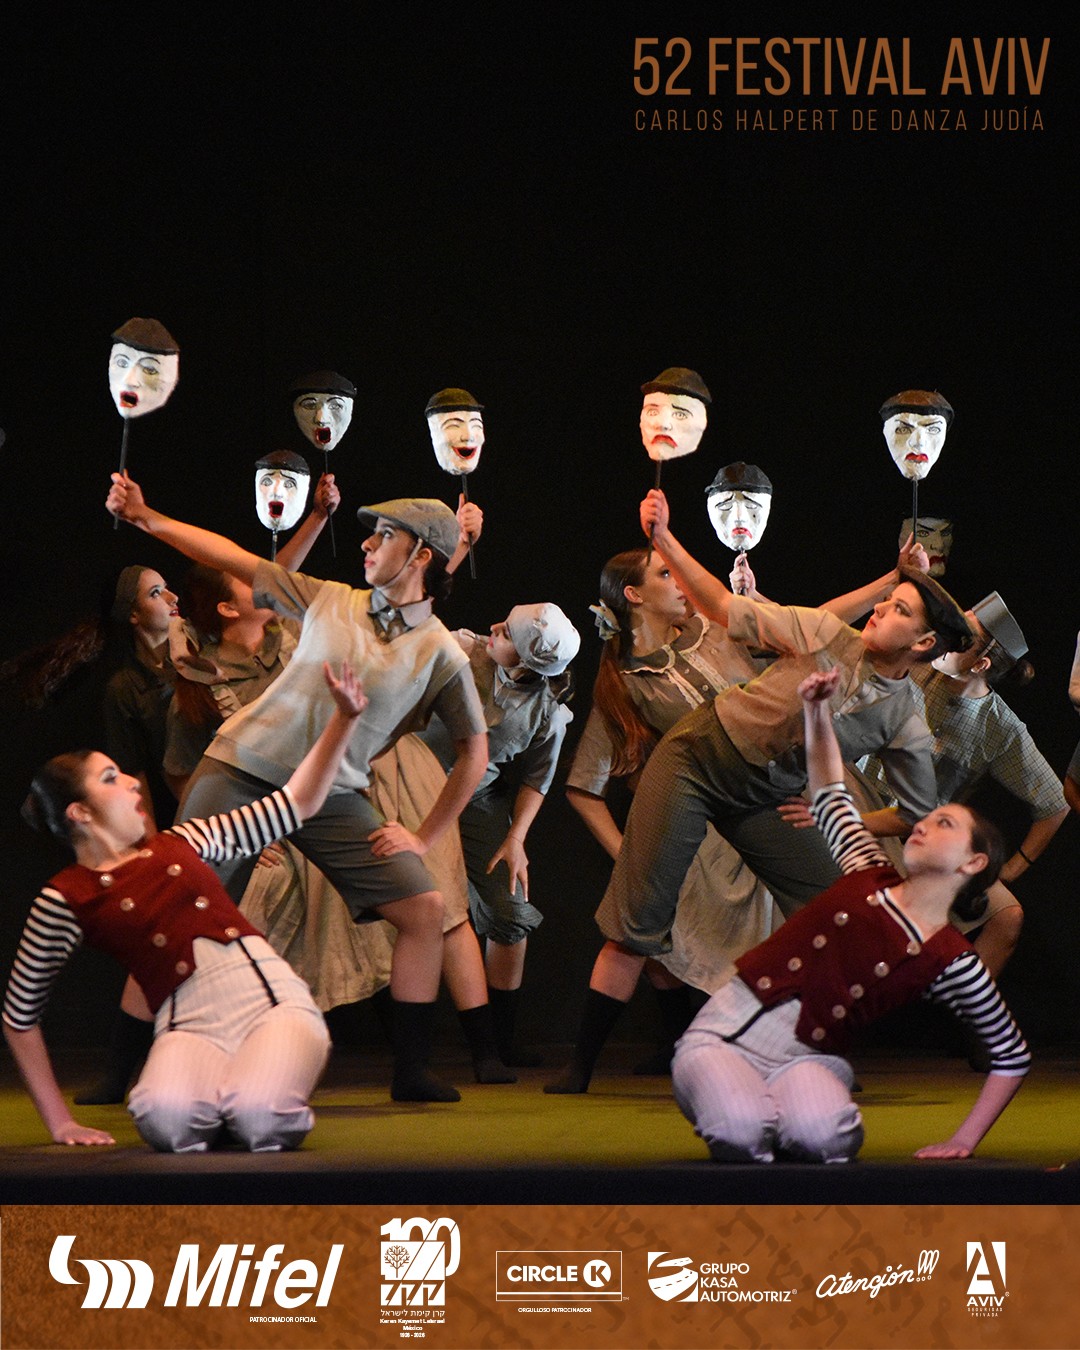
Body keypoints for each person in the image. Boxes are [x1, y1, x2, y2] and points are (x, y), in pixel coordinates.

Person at [548, 488, 973, 1092]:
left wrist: (843, 817)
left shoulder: (903, 718)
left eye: (899, 610)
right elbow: (723, 605)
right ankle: (580, 1068)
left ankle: (814, 1053)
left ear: (924, 644)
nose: (881, 611)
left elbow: (915, 810)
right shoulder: (824, 632)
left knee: (839, 911)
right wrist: (664, 537)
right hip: (696, 761)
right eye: (887, 602)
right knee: (640, 920)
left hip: (766, 796)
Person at [107, 472, 489, 1103]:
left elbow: (475, 752)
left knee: (424, 908)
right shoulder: (330, 598)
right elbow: (234, 558)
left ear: (422, 555)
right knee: (180, 909)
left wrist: (423, 838)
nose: (367, 544)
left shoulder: (440, 654)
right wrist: (148, 518)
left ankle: (411, 1072)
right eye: (369, 534)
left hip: (328, 794)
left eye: (384, 535)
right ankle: (120, 1069)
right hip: (243, 769)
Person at [672, 666, 1030, 1163]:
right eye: (926, 819)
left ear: (973, 863)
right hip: (724, 1036)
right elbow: (829, 792)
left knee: (828, 1138)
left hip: (804, 1060)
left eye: (943, 823)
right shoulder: (867, 868)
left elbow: (1011, 1054)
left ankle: (780, 1113)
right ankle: (752, 1109)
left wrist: (964, 1140)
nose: (922, 825)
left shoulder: (952, 960)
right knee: (740, 1129)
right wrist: (817, 711)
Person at [3, 662, 366, 1152]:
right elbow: (19, 1015)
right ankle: (232, 1097)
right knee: (165, 1121)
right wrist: (59, 1123)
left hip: (269, 1003)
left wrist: (344, 718)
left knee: (261, 1117)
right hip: (188, 1024)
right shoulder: (65, 897)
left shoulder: (186, 840)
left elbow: (296, 803)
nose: (132, 784)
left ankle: (248, 1097)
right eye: (110, 778)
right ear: (80, 813)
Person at [559, 548, 773, 1086]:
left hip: (757, 814)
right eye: (664, 573)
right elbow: (584, 785)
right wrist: (627, 853)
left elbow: (790, 644)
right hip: (689, 829)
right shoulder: (625, 682)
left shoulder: (714, 634)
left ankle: (796, 1052)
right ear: (634, 596)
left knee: (789, 932)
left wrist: (750, 600)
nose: (680, 581)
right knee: (636, 934)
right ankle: (582, 1067)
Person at [856, 591, 1069, 981]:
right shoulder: (917, 662)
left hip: (918, 838)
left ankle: (967, 1009)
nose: (945, 635)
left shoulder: (1000, 728)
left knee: (1008, 916)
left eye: (961, 636)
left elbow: (1055, 805)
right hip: (861, 801)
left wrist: (1011, 869)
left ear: (980, 663)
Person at [423, 602, 579, 1065]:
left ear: (529, 663)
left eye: (508, 634)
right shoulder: (456, 651)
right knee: (417, 906)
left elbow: (537, 779)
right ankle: (411, 1046)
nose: (494, 628)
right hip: (412, 783)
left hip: (477, 797)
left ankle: (497, 1041)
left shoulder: (547, 713)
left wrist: (515, 839)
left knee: (510, 910)